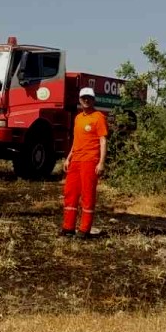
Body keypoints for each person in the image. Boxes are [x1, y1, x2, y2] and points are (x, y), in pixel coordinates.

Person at [62, 87, 108, 239]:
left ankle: (84, 230)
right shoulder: (78, 118)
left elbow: (103, 140)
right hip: (76, 160)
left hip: (90, 160)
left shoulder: (98, 117)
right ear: (80, 100)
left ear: (93, 99)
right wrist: (68, 158)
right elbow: (76, 140)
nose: (86, 100)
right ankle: (68, 228)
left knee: (87, 194)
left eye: (89, 97)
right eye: (83, 98)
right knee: (70, 193)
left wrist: (101, 162)